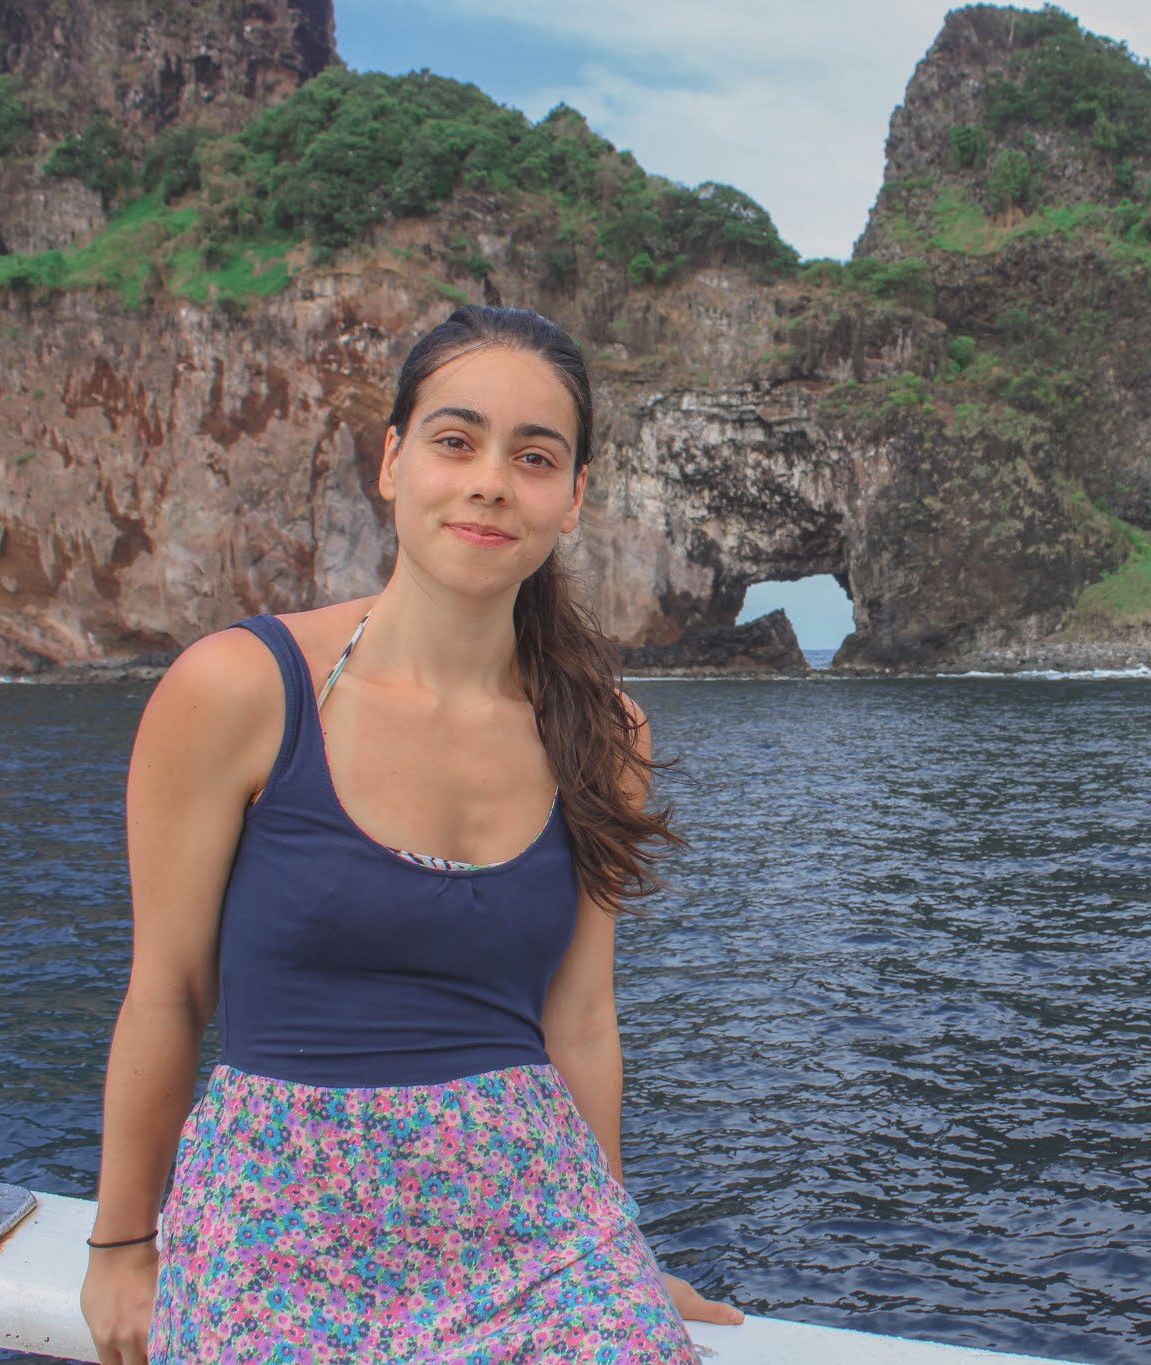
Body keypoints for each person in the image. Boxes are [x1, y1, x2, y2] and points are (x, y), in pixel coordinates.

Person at [78, 305, 742, 1363]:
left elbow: (579, 1018)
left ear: (571, 500)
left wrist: (611, 1244)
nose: (488, 482)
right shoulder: (242, 689)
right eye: (454, 440)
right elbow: (168, 993)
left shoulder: (602, 731)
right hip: (277, 1216)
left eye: (533, 458)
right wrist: (121, 1241)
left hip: (535, 1219)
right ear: (392, 463)